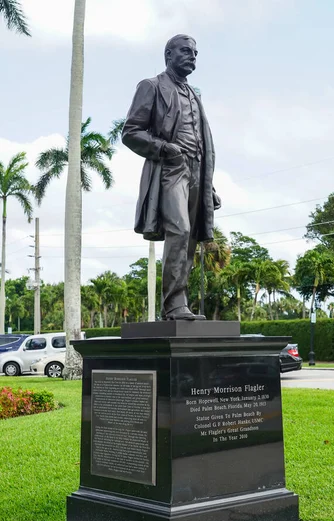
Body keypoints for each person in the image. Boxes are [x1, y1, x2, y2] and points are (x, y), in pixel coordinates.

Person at [122, 34, 221, 321]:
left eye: (195, 53)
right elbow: (130, 132)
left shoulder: (194, 95)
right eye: (186, 51)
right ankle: (174, 305)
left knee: (190, 237)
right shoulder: (151, 86)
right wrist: (165, 148)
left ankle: (181, 303)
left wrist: (208, 186)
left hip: (196, 172)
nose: (193, 56)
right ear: (169, 54)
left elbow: (202, 141)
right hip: (169, 170)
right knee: (179, 230)